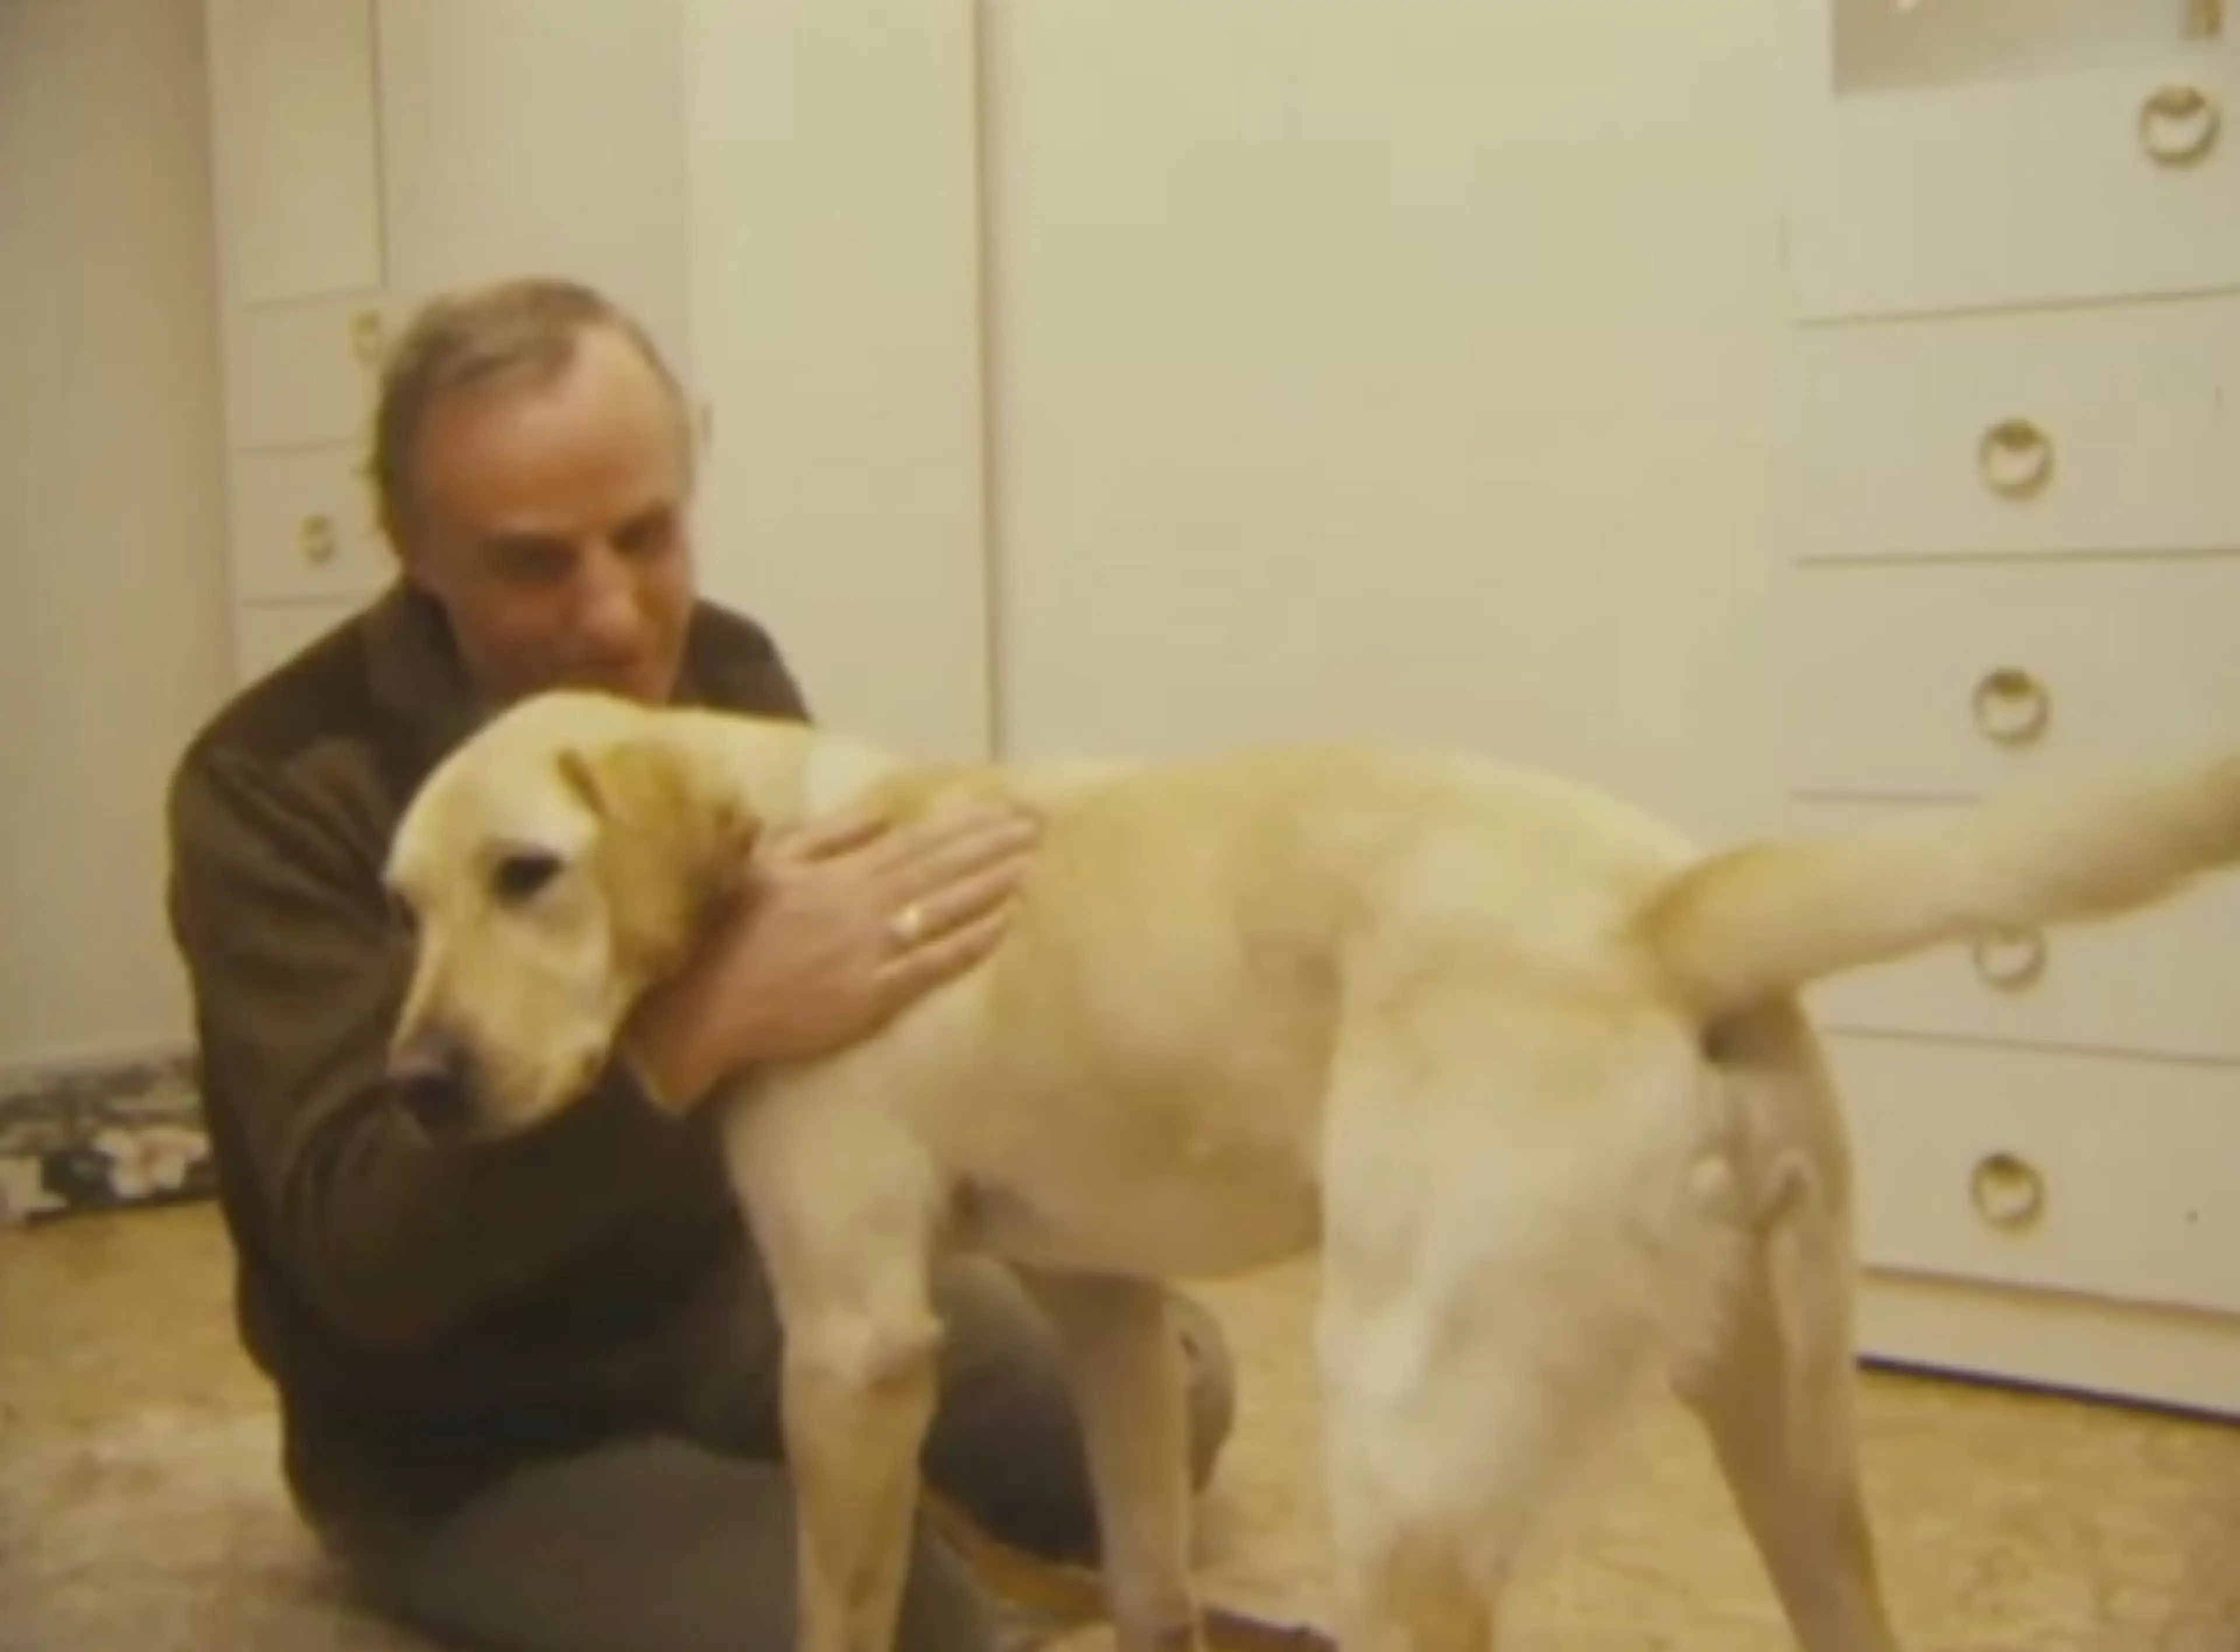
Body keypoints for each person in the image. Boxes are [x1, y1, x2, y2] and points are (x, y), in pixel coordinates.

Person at [163, 275, 1237, 1652]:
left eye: (647, 536)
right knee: (902, 1613)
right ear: (411, 548)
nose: (615, 618)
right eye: (535, 563)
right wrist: (698, 1034)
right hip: (473, 1420)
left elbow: (852, 1017)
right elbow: (366, 1256)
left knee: (1168, 1389)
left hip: (732, 1285)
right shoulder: (275, 789)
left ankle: (797, 1465)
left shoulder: (722, 674)